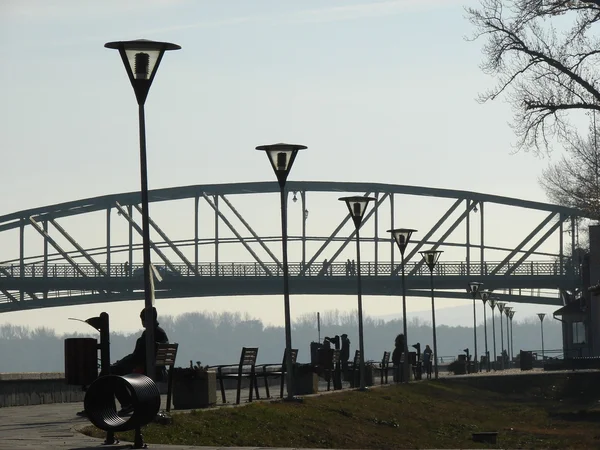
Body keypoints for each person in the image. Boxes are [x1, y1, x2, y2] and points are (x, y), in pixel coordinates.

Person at [108, 307, 169, 414]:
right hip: (158, 368)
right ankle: (128, 404)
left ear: (146, 320)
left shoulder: (149, 334)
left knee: (113, 374)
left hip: (147, 369)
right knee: (116, 371)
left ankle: (127, 404)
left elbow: (137, 357)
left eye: (142, 320)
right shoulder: (160, 332)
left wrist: (120, 363)